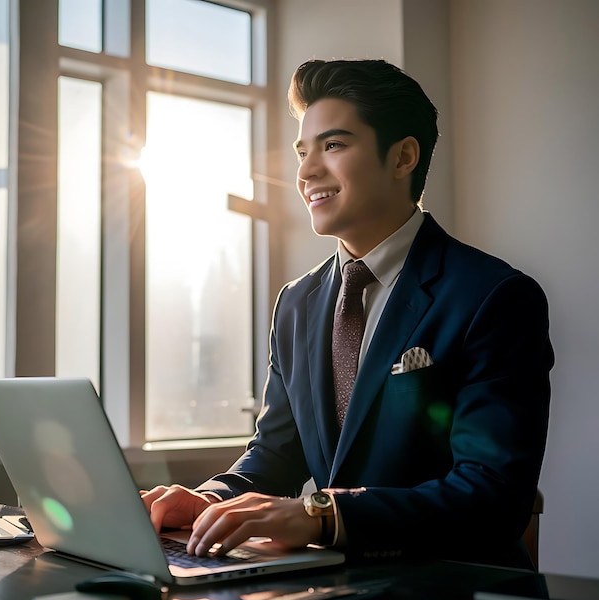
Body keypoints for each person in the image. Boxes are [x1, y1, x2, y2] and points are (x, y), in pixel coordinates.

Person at [142, 58, 554, 569]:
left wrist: (323, 515)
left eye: (333, 146)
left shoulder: (496, 297)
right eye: (302, 151)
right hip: (333, 592)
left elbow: (492, 496)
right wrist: (210, 499)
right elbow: (273, 457)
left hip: (452, 597)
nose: (307, 171)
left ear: (403, 157)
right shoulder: (296, 302)